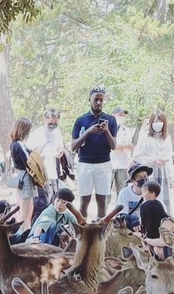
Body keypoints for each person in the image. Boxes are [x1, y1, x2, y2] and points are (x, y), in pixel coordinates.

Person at [71, 86, 117, 218]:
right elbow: (73, 146)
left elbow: (113, 145)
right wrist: (88, 132)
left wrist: (107, 130)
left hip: (104, 163)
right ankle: (83, 229)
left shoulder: (111, 120)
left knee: (102, 201)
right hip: (85, 164)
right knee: (84, 200)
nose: (99, 103)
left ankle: (100, 230)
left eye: (101, 100)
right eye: (96, 99)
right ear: (89, 100)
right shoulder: (81, 120)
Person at [133, 110, 172, 196]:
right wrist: (153, 160)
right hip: (149, 171)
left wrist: (170, 176)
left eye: (160, 121)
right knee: (150, 195)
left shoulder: (167, 138)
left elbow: (169, 157)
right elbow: (137, 156)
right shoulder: (146, 138)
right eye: (155, 121)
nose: (158, 123)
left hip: (163, 172)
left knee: (162, 197)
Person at [9, 117, 38, 229]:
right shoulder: (19, 144)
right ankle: (20, 235)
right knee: (25, 212)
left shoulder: (13, 144)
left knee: (26, 211)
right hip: (25, 179)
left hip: (19, 178)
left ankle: (25, 233)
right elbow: (28, 162)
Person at [29, 108, 71, 184]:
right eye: (51, 121)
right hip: (41, 171)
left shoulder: (57, 132)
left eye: (56, 121)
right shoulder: (37, 134)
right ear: (45, 120)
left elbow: (60, 146)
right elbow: (32, 152)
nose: (53, 123)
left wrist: (60, 151)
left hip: (55, 171)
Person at [116, 163, 152, 229]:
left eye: (145, 176)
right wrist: (133, 221)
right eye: (139, 178)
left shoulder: (153, 191)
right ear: (132, 180)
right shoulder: (124, 193)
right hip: (130, 227)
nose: (143, 179)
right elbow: (122, 214)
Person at [109, 108, 134, 196]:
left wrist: (121, 147)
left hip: (123, 163)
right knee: (106, 191)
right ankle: (104, 210)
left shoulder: (127, 130)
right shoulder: (107, 129)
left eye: (123, 115)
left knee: (123, 191)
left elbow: (130, 146)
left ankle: (121, 209)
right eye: (120, 115)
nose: (122, 117)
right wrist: (123, 146)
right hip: (109, 163)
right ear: (113, 115)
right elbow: (112, 146)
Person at [139, 181, 171, 248]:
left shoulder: (145, 205)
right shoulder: (159, 204)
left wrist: (146, 239)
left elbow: (144, 223)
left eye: (144, 192)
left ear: (152, 193)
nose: (142, 195)